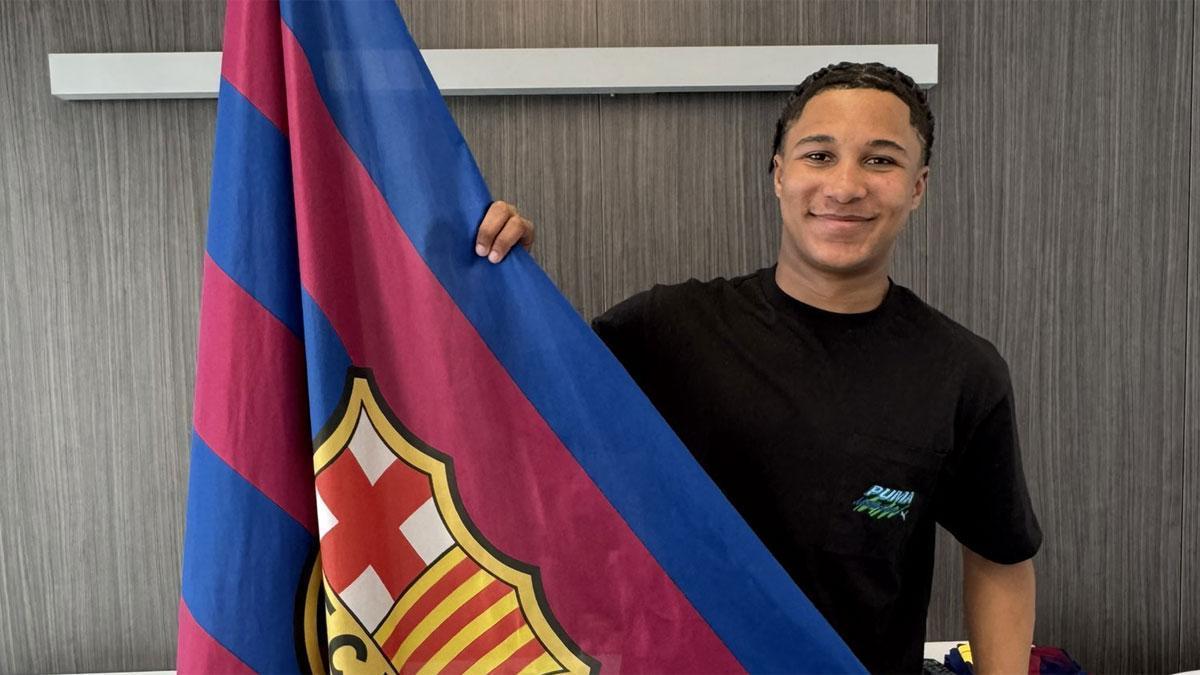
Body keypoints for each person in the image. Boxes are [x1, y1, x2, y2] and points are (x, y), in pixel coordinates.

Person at [473, 62, 1041, 675]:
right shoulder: (662, 332)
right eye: (819, 155)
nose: (845, 186)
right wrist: (487, 275)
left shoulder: (961, 371)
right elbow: (514, 418)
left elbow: (1001, 558)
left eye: (880, 160)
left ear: (917, 186)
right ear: (779, 174)